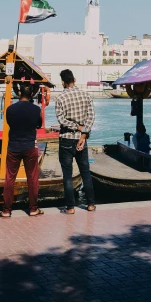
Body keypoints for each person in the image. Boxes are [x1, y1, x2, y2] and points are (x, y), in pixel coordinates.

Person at [0, 84, 43, 218]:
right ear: (31, 95)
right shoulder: (36, 109)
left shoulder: (10, 109)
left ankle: (6, 210)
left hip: (13, 147)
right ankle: (34, 208)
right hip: (30, 146)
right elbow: (39, 125)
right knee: (32, 178)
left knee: (9, 178)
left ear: (19, 93)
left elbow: (10, 123)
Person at [55, 69, 96, 214]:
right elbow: (91, 117)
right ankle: (91, 204)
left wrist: (75, 126)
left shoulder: (60, 98)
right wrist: (83, 134)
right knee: (85, 172)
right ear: (75, 79)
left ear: (63, 82)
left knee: (67, 175)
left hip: (66, 139)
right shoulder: (86, 95)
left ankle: (70, 207)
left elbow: (61, 120)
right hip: (81, 140)